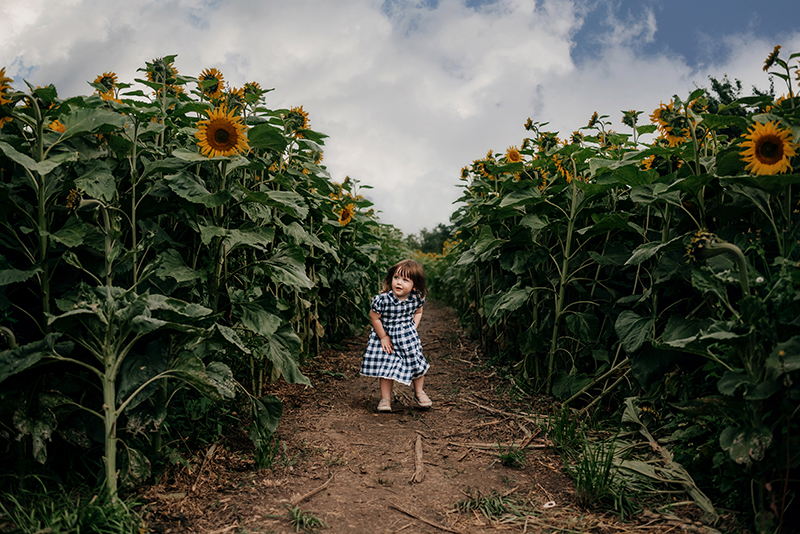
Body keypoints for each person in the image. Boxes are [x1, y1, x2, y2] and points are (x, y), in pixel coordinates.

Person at [361, 259, 432, 412]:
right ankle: (385, 399)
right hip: (388, 337)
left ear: (415, 285)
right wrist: (383, 337)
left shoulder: (416, 298)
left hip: (408, 337)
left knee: (416, 363)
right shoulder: (383, 300)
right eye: (396, 277)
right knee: (386, 368)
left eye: (405, 280)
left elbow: (419, 312)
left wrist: (413, 326)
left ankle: (419, 392)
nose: (399, 282)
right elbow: (374, 317)